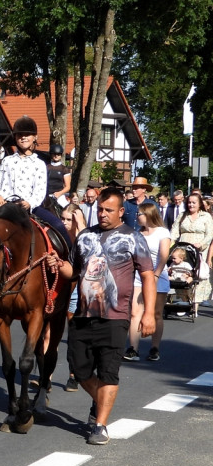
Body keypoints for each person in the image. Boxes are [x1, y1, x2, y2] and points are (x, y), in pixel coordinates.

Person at [47, 187, 155, 446]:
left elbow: (148, 275)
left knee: (108, 372)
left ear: (121, 211)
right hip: (83, 315)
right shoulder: (85, 236)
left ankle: (100, 425)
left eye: (108, 210)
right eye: (100, 209)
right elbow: (73, 271)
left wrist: (149, 313)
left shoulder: (133, 237)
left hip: (115, 317)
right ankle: (101, 400)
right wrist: (59, 265)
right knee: (80, 370)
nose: (103, 214)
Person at [0, 115, 71, 250]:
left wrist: (30, 203)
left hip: (30, 207)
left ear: (35, 137)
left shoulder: (39, 164)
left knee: (58, 226)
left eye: (27, 134)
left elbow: (40, 190)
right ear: (15, 137)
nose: (23, 137)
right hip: (6, 206)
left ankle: (71, 260)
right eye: (20, 135)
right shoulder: (7, 161)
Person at [123, 202, 170, 362]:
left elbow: (164, 256)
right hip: (138, 276)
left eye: (140, 214)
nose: (137, 216)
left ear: (149, 215)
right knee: (135, 312)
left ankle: (154, 347)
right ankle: (133, 349)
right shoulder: (137, 233)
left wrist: (155, 275)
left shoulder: (162, 232)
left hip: (158, 276)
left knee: (156, 313)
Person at [60, 202, 88, 391]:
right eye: (62, 218)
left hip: (78, 285)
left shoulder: (83, 237)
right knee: (47, 332)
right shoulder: (58, 236)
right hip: (59, 285)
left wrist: (80, 228)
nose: (64, 223)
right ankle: (46, 375)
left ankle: (73, 374)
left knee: (73, 332)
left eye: (69, 219)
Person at [170, 192, 213, 312]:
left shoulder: (206, 216)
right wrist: (171, 244)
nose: (191, 204)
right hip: (183, 248)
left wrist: (202, 244)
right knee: (183, 272)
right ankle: (184, 302)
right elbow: (174, 231)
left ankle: (195, 305)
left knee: (197, 275)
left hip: (199, 249)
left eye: (194, 202)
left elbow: (210, 234)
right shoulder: (182, 215)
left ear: (199, 204)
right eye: (189, 202)